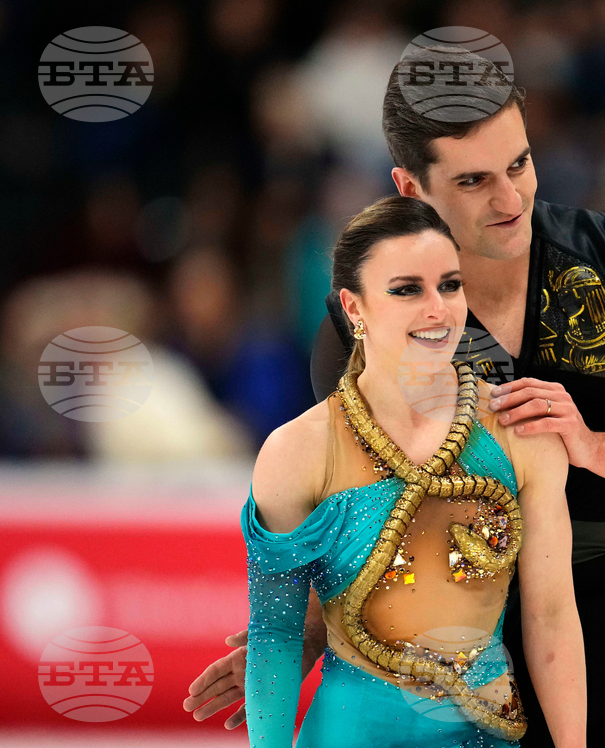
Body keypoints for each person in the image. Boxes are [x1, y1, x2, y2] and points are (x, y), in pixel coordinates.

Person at [186, 46, 605, 746]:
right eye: (473, 181)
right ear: (411, 187)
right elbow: (362, 516)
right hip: (464, 672)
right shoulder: (360, 329)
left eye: (519, 164)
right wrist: (302, 638)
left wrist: (592, 449)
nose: (511, 199)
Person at [228, 195, 585, 747]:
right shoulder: (296, 450)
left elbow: (552, 616)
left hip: (483, 735)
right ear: (354, 308)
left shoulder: (521, 433)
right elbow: (276, 634)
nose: (438, 309)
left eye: (450, 285)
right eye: (407, 289)